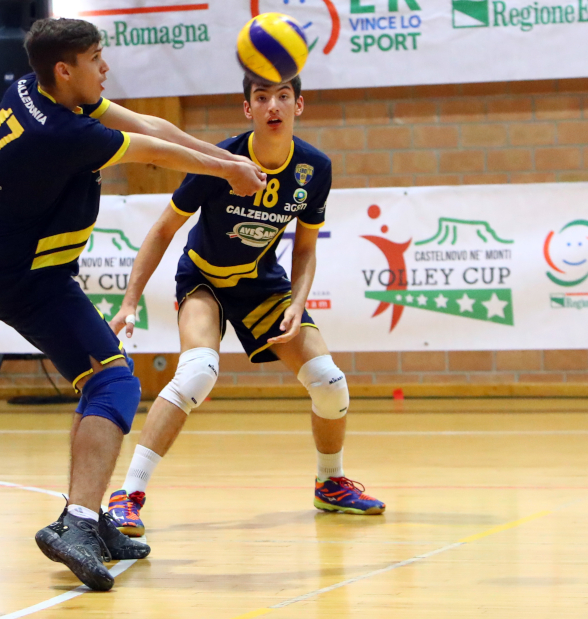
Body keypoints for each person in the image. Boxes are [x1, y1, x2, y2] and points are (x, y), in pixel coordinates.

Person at [0, 18, 266, 591]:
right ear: (65, 70)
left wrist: (230, 160)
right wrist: (227, 170)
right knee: (114, 383)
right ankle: (79, 522)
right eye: (95, 59)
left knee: (103, 380)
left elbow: (149, 124)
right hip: (28, 282)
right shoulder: (61, 133)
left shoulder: (31, 89)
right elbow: (152, 150)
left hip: (25, 271)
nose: (105, 67)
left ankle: (87, 517)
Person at [105, 75, 386, 539]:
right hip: (203, 280)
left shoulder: (314, 168)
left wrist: (298, 302)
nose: (273, 105)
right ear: (247, 108)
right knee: (197, 373)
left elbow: (305, 249)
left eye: (283, 96)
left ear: (299, 105)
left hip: (261, 284)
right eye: (262, 97)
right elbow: (163, 230)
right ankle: (127, 495)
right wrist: (130, 300)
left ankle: (330, 483)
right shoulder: (220, 160)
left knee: (330, 383)